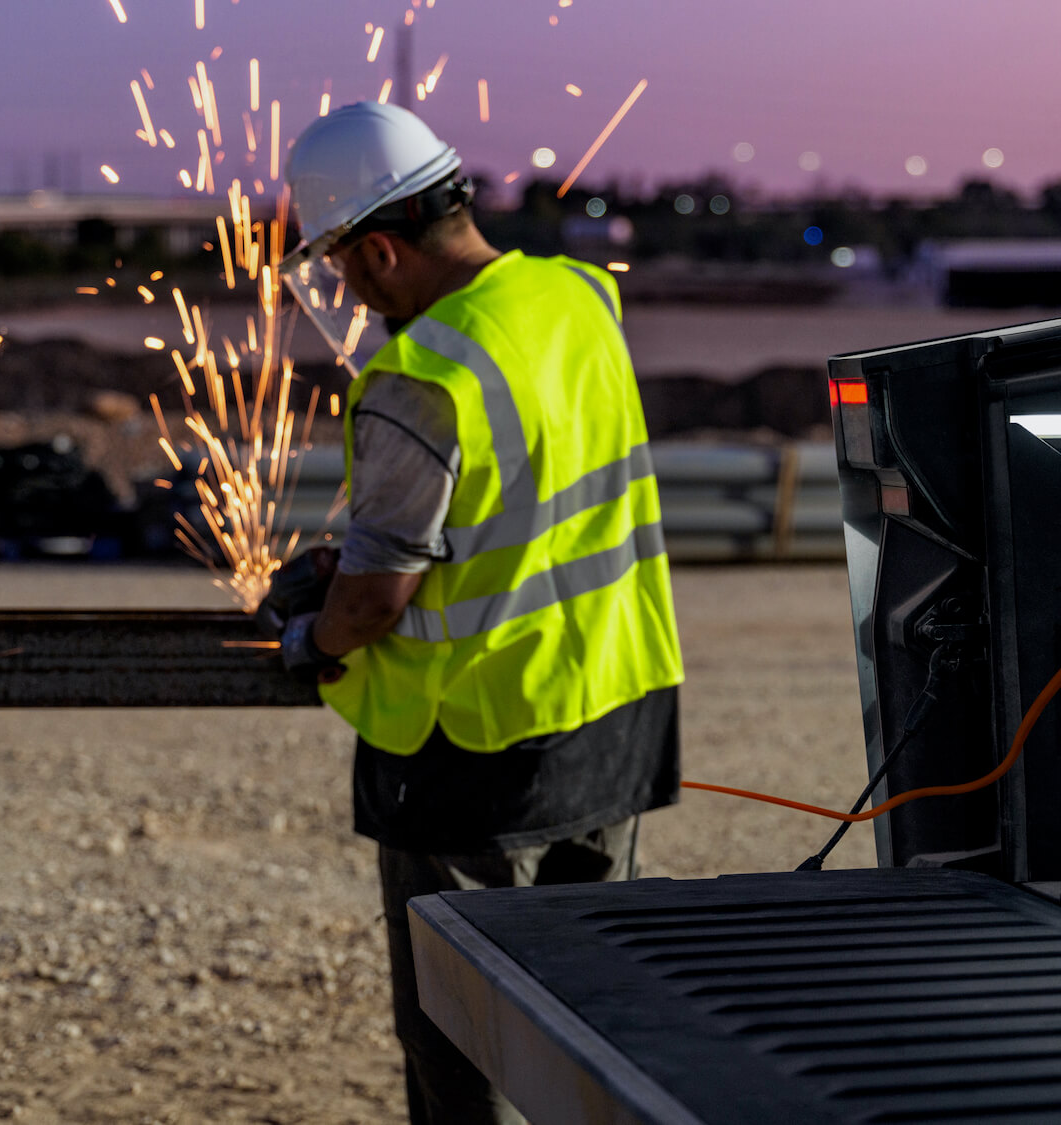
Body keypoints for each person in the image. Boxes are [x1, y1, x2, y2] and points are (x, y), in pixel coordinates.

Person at [260, 102, 685, 1125]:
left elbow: (372, 603)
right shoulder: (574, 295)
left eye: (339, 267)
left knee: (464, 1035)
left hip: (473, 748)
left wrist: (311, 636)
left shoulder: (418, 377)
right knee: (597, 1019)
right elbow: (528, 500)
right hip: (614, 704)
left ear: (378, 249)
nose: (346, 295)